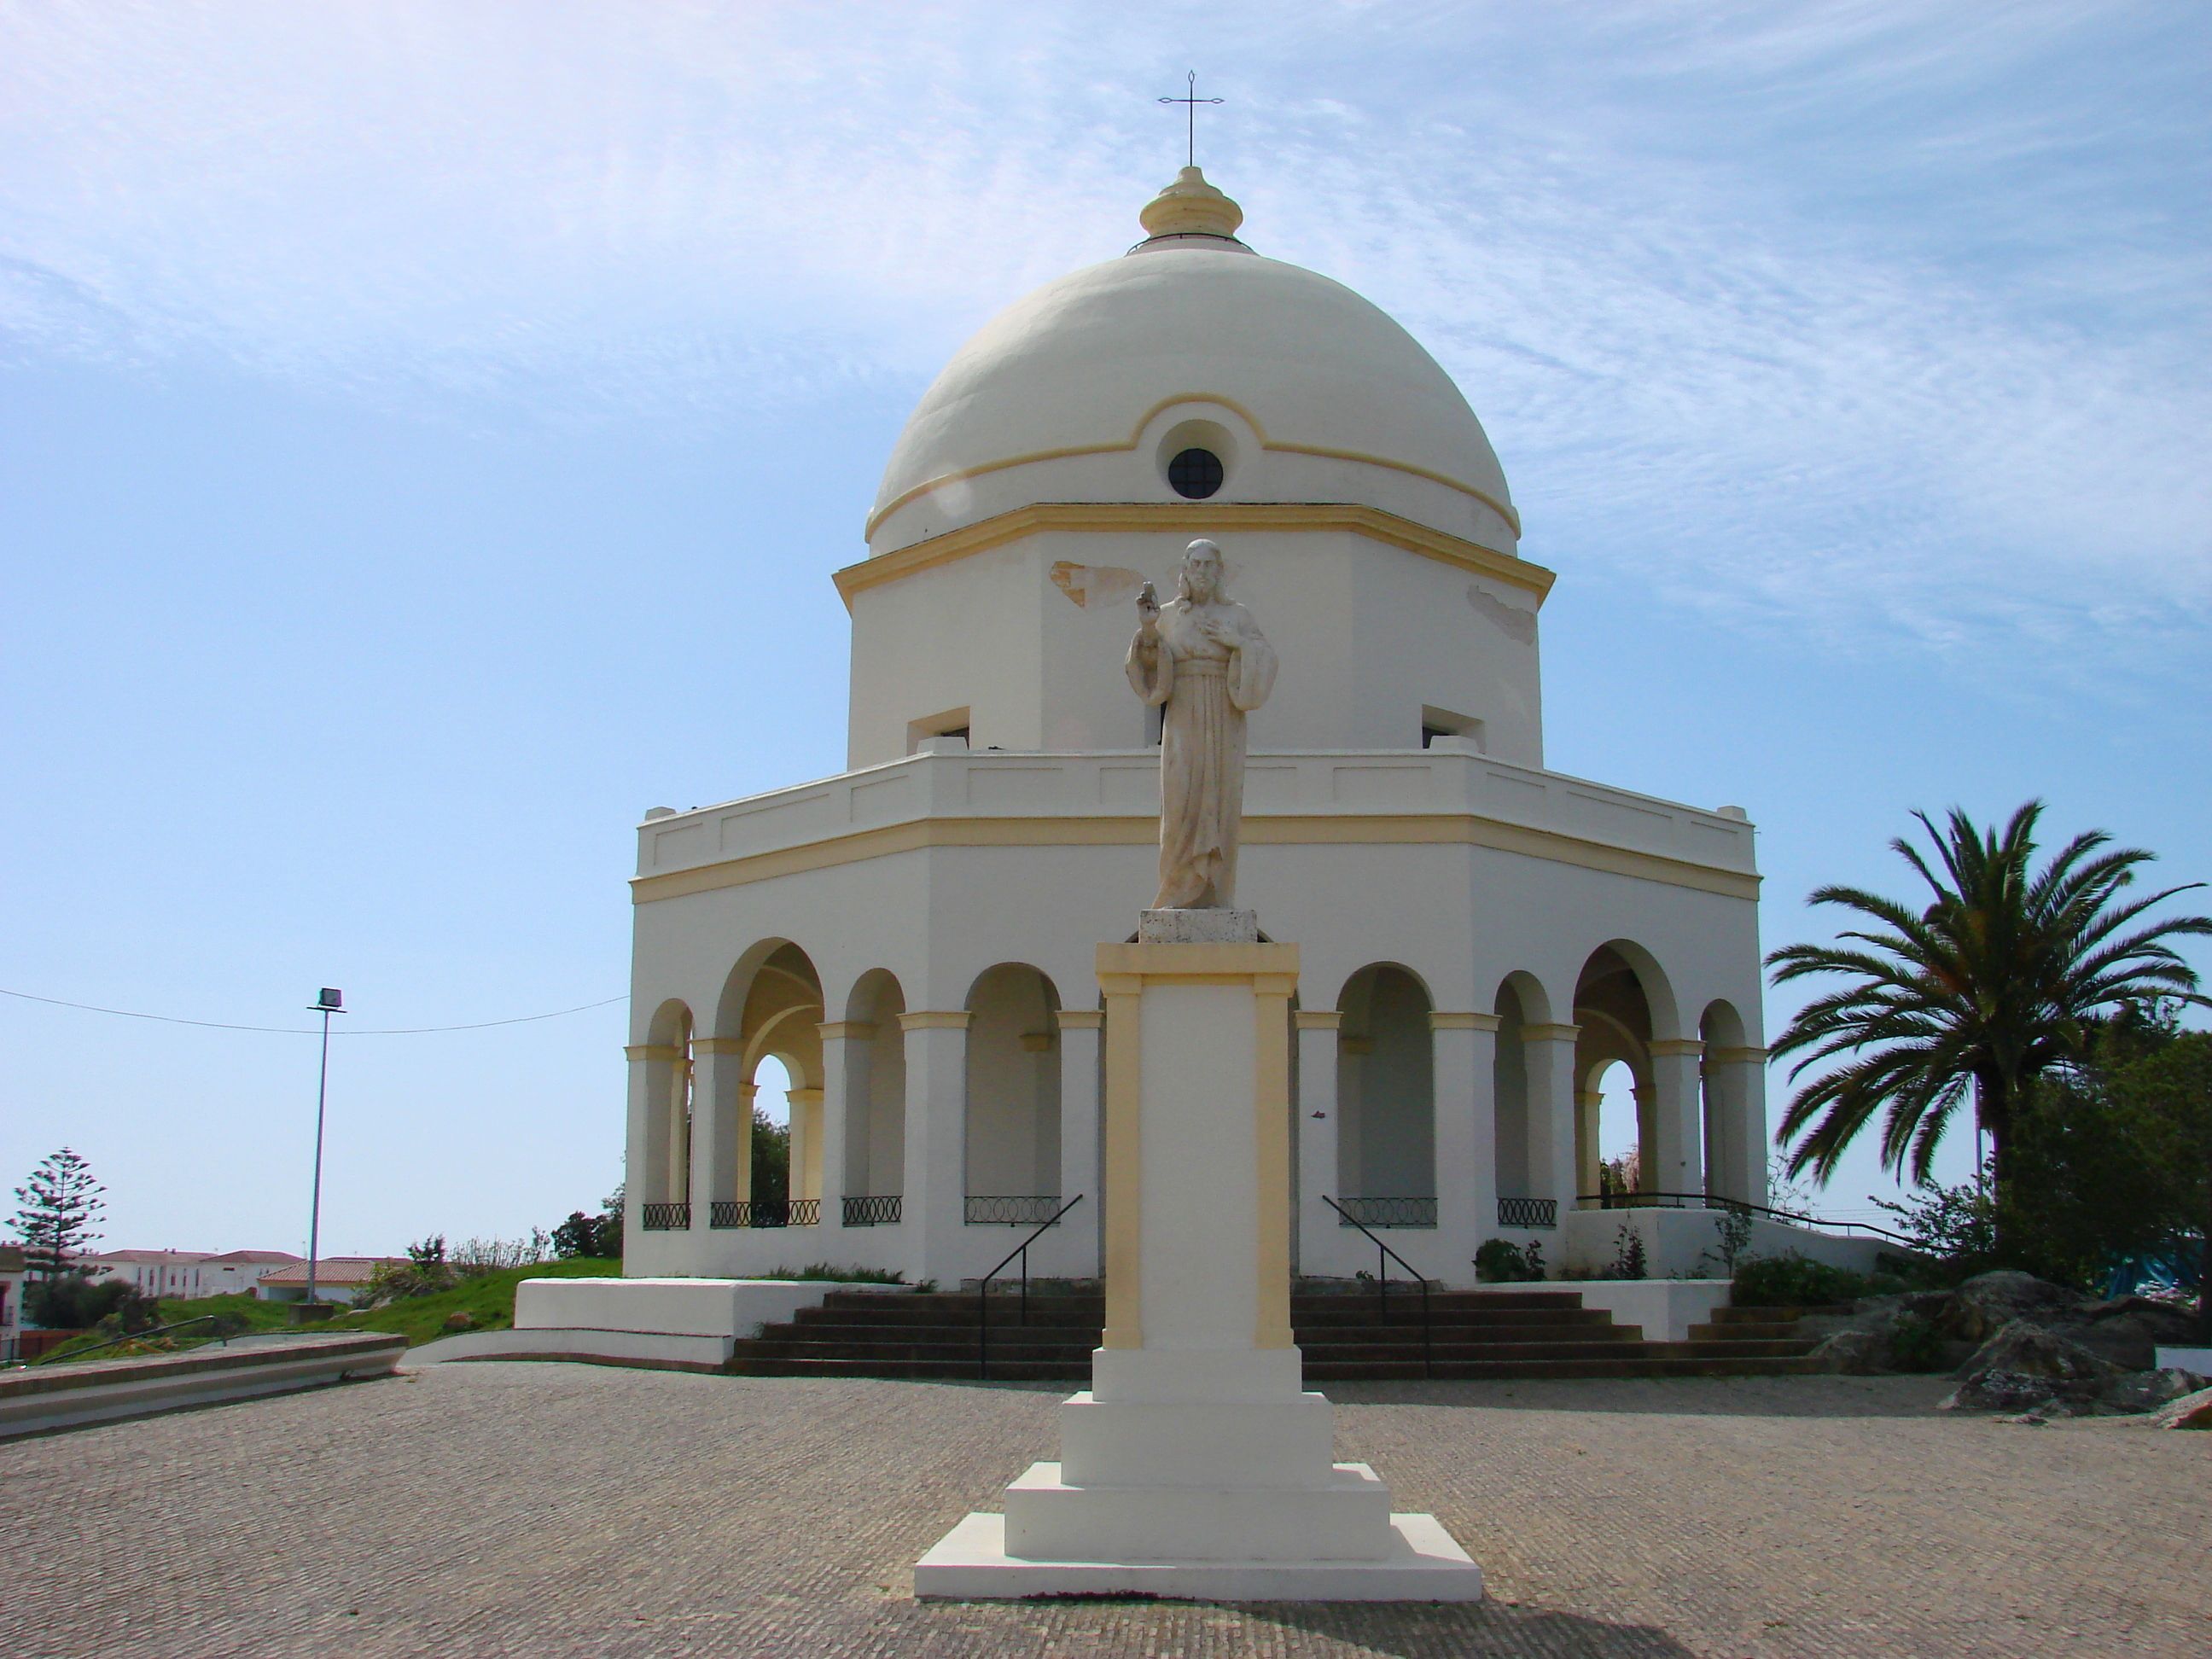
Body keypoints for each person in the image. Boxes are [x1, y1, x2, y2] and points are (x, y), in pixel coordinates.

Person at [1126, 538, 1277, 909]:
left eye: (1210, 565)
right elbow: (1149, 681)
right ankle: (1176, 890)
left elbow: (1266, 661)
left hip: (1225, 719)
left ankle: (1216, 893)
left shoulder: (1237, 616)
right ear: (1185, 571)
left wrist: (1238, 644)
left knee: (1222, 803)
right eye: (1196, 564)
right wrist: (1147, 632)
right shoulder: (1166, 615)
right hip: (1182, 717)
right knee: (1179, 805)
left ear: (1220, 571)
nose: (1203, 572)